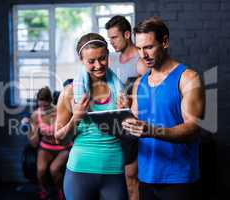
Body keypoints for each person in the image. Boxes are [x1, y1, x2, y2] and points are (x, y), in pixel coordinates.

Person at [122, 17, 205, 200]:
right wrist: (121, 113)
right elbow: (134, 124)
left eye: (149, 47)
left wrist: (151, 131)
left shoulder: (187, 78)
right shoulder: (139, 83)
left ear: (165, 42)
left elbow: (192, 129)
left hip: (179, 178)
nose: (143, 55)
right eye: (139, 48)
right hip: (146, 176)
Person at [55, 33, 128, 200]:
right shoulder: (70, 93)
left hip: (114, 169)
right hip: (80, 171)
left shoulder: (121, 91)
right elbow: (59, 139)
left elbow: (128, 135)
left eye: (102, 58)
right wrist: (76, 118)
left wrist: (123, 115)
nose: (98, 65)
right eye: (91, 61)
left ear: (108, 55)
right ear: (81, 60)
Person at [105, 15, 148, 200]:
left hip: (135, 125)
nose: (112, 43)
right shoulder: (111, 61)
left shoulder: (142, 60)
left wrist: (130, 100)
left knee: (132, 178)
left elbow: (151, 95)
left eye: (114, 38)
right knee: (117, 178)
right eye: (109, 39)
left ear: (127, 34)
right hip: (115, 124)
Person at [26, 86, 72, 200]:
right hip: (46, 147)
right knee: (41, 171)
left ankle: (60, 190)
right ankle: (44, 190)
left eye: (45, 106)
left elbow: (69, 130)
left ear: (51, 102)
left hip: (63, 147)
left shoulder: (60, 111)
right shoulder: (36, 115)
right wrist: (32, 129)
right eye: (40, 105)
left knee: (54, 169)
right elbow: (34, 142)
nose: (43, 108)